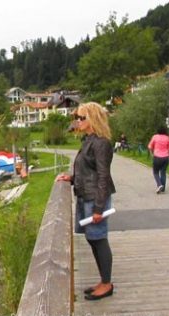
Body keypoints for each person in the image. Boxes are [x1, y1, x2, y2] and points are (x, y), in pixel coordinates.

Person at [56, 102, 116, 301]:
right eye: (78, 118)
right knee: (93, 239)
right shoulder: (89, 140)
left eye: (82, 118)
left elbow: (102, 177)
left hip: (95, 199)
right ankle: (103, 280)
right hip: (86, 196)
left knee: (99, 239)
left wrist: (99, 208)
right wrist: (71, 178)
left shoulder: (101, 143)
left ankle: (107, 284)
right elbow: (86, 171)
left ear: (93, 119)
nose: (78, 121)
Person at [148, 127, 169, 194]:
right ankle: (163, 188)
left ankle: (159, 185)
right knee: (163, 173)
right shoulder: (167, 138)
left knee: (155, 172)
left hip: (157, 157)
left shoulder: (155, 137)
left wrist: (151, 154)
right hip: (165, 158)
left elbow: (150, 146)